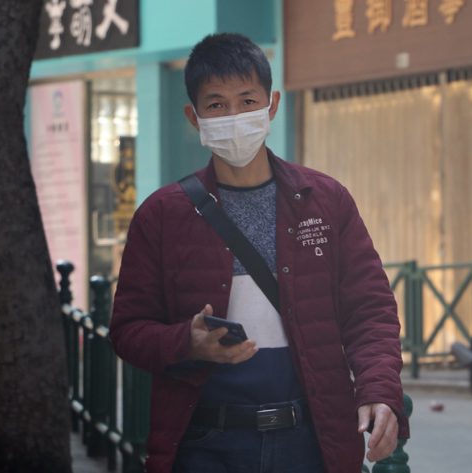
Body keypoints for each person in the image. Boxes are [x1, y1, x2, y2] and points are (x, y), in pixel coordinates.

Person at [109, 32, 408, 473]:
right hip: (206, 444)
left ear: (272, 105)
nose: (235, 116)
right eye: (217, 105)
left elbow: (371, 311)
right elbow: (127, 329)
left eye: (248, 101)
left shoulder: (324, 199)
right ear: (195, 118)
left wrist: (380, 391)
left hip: (312, 440)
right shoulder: (162, 215)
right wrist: (185, 343)